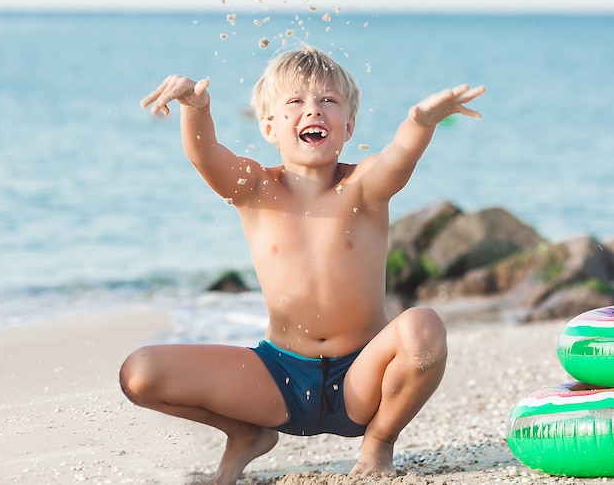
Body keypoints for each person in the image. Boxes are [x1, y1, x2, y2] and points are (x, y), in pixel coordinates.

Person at [120, 45, 485, 485]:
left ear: (348, 126)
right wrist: (196, 108)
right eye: (295, 102)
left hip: (361, 377)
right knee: (139, 373)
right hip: (279, 378)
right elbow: (206, 154)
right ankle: (245, 434)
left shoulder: (364, 185)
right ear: (269, 127)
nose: (313, 110)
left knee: (423, 328)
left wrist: (420, 123)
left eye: (328, 101)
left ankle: (379, 443)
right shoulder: (254, 187)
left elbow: (399, 157)